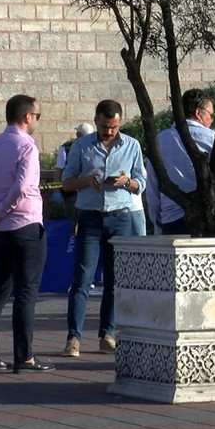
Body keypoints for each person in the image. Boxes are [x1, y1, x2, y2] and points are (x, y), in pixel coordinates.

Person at [0, 94, 55, 373]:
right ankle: (25, 356)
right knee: (26, 292)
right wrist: (2, 210)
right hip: (24, 224)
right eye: (37, 116)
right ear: (27, 117)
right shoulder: (27, 147)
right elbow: (22, 186)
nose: (37, 121)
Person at [61, 99, 146, 358]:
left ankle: (106, 334)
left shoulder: (131, 145)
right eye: (105, 126)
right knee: (82, 279)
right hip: (90, 217)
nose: (109, 131)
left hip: (121, 216)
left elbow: (141, 182)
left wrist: (126, 181)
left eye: (114, 127)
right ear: (96, 120)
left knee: (114, 281)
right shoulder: (81, 145)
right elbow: (66, 182)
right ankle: (73, 338)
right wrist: (87, 181)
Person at [146, 88, 215, 235]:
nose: (212, 120)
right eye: (210, 115)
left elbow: (152, 186)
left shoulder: (159, 141)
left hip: (170, 219)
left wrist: (157, 222)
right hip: (206, 217)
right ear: (198, 113)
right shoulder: (212, 139)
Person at [55, 122, 96, 234]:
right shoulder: (66, 149)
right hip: (71, 193)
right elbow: (59, 170)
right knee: (72, 221)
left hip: (87, 191)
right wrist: (57, 190)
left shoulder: (93, 147)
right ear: (78, 135)